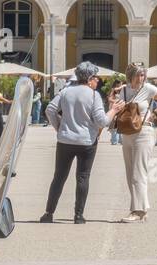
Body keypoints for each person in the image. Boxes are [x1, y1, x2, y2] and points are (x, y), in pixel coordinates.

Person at [40, 62, 108, 225]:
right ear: (90, 78)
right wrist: (114, 111)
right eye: (96, 78)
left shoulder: (66, 92)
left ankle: (48, 213)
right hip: (87, 141)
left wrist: (59, 127)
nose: (98, 81)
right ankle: (78, 216)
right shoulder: (93, 95)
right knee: (83, 177)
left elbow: (50, 109)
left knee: (59, 177)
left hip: (65, 140)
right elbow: (102, 121)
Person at [110, 62, 157, 222]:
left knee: (139, 172)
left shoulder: (148, 89)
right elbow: (113, 103)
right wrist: (113, 99)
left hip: (144, 131)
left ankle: (137, 211)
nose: (141, 77)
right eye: (138, 74)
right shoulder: (123, 90)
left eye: (143, 74)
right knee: (130, 173)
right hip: (126, 132)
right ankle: (142, 209)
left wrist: (155, 114)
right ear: (130, 75)